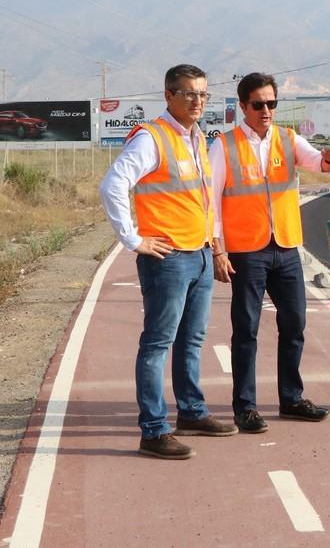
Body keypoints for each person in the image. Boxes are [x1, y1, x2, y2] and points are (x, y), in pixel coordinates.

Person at [99, 64, 237, 460]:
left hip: (199, 254)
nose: (198, 102)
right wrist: (133, 239)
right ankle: (154, 430)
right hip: (168, 258)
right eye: (189, 94)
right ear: (169, 96)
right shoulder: (152, 138)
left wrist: (214, 244)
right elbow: (113, 184)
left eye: (203, 95)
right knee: (157, 343)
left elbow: (202, 198)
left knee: (192, 340)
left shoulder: (195, 138)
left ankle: (191, 412)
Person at [209, 72, 330, 434]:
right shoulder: (223, 147)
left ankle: (291, 398)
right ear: (243, 107)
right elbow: (210, 204)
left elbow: (319, 162)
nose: (266, 110)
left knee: (295, 324)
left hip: (286, 246)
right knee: (247, 330)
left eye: (272, 103)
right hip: (246, 251)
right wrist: (218, 250)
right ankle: (245, 407)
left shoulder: (288, 139)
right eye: (259, 104)